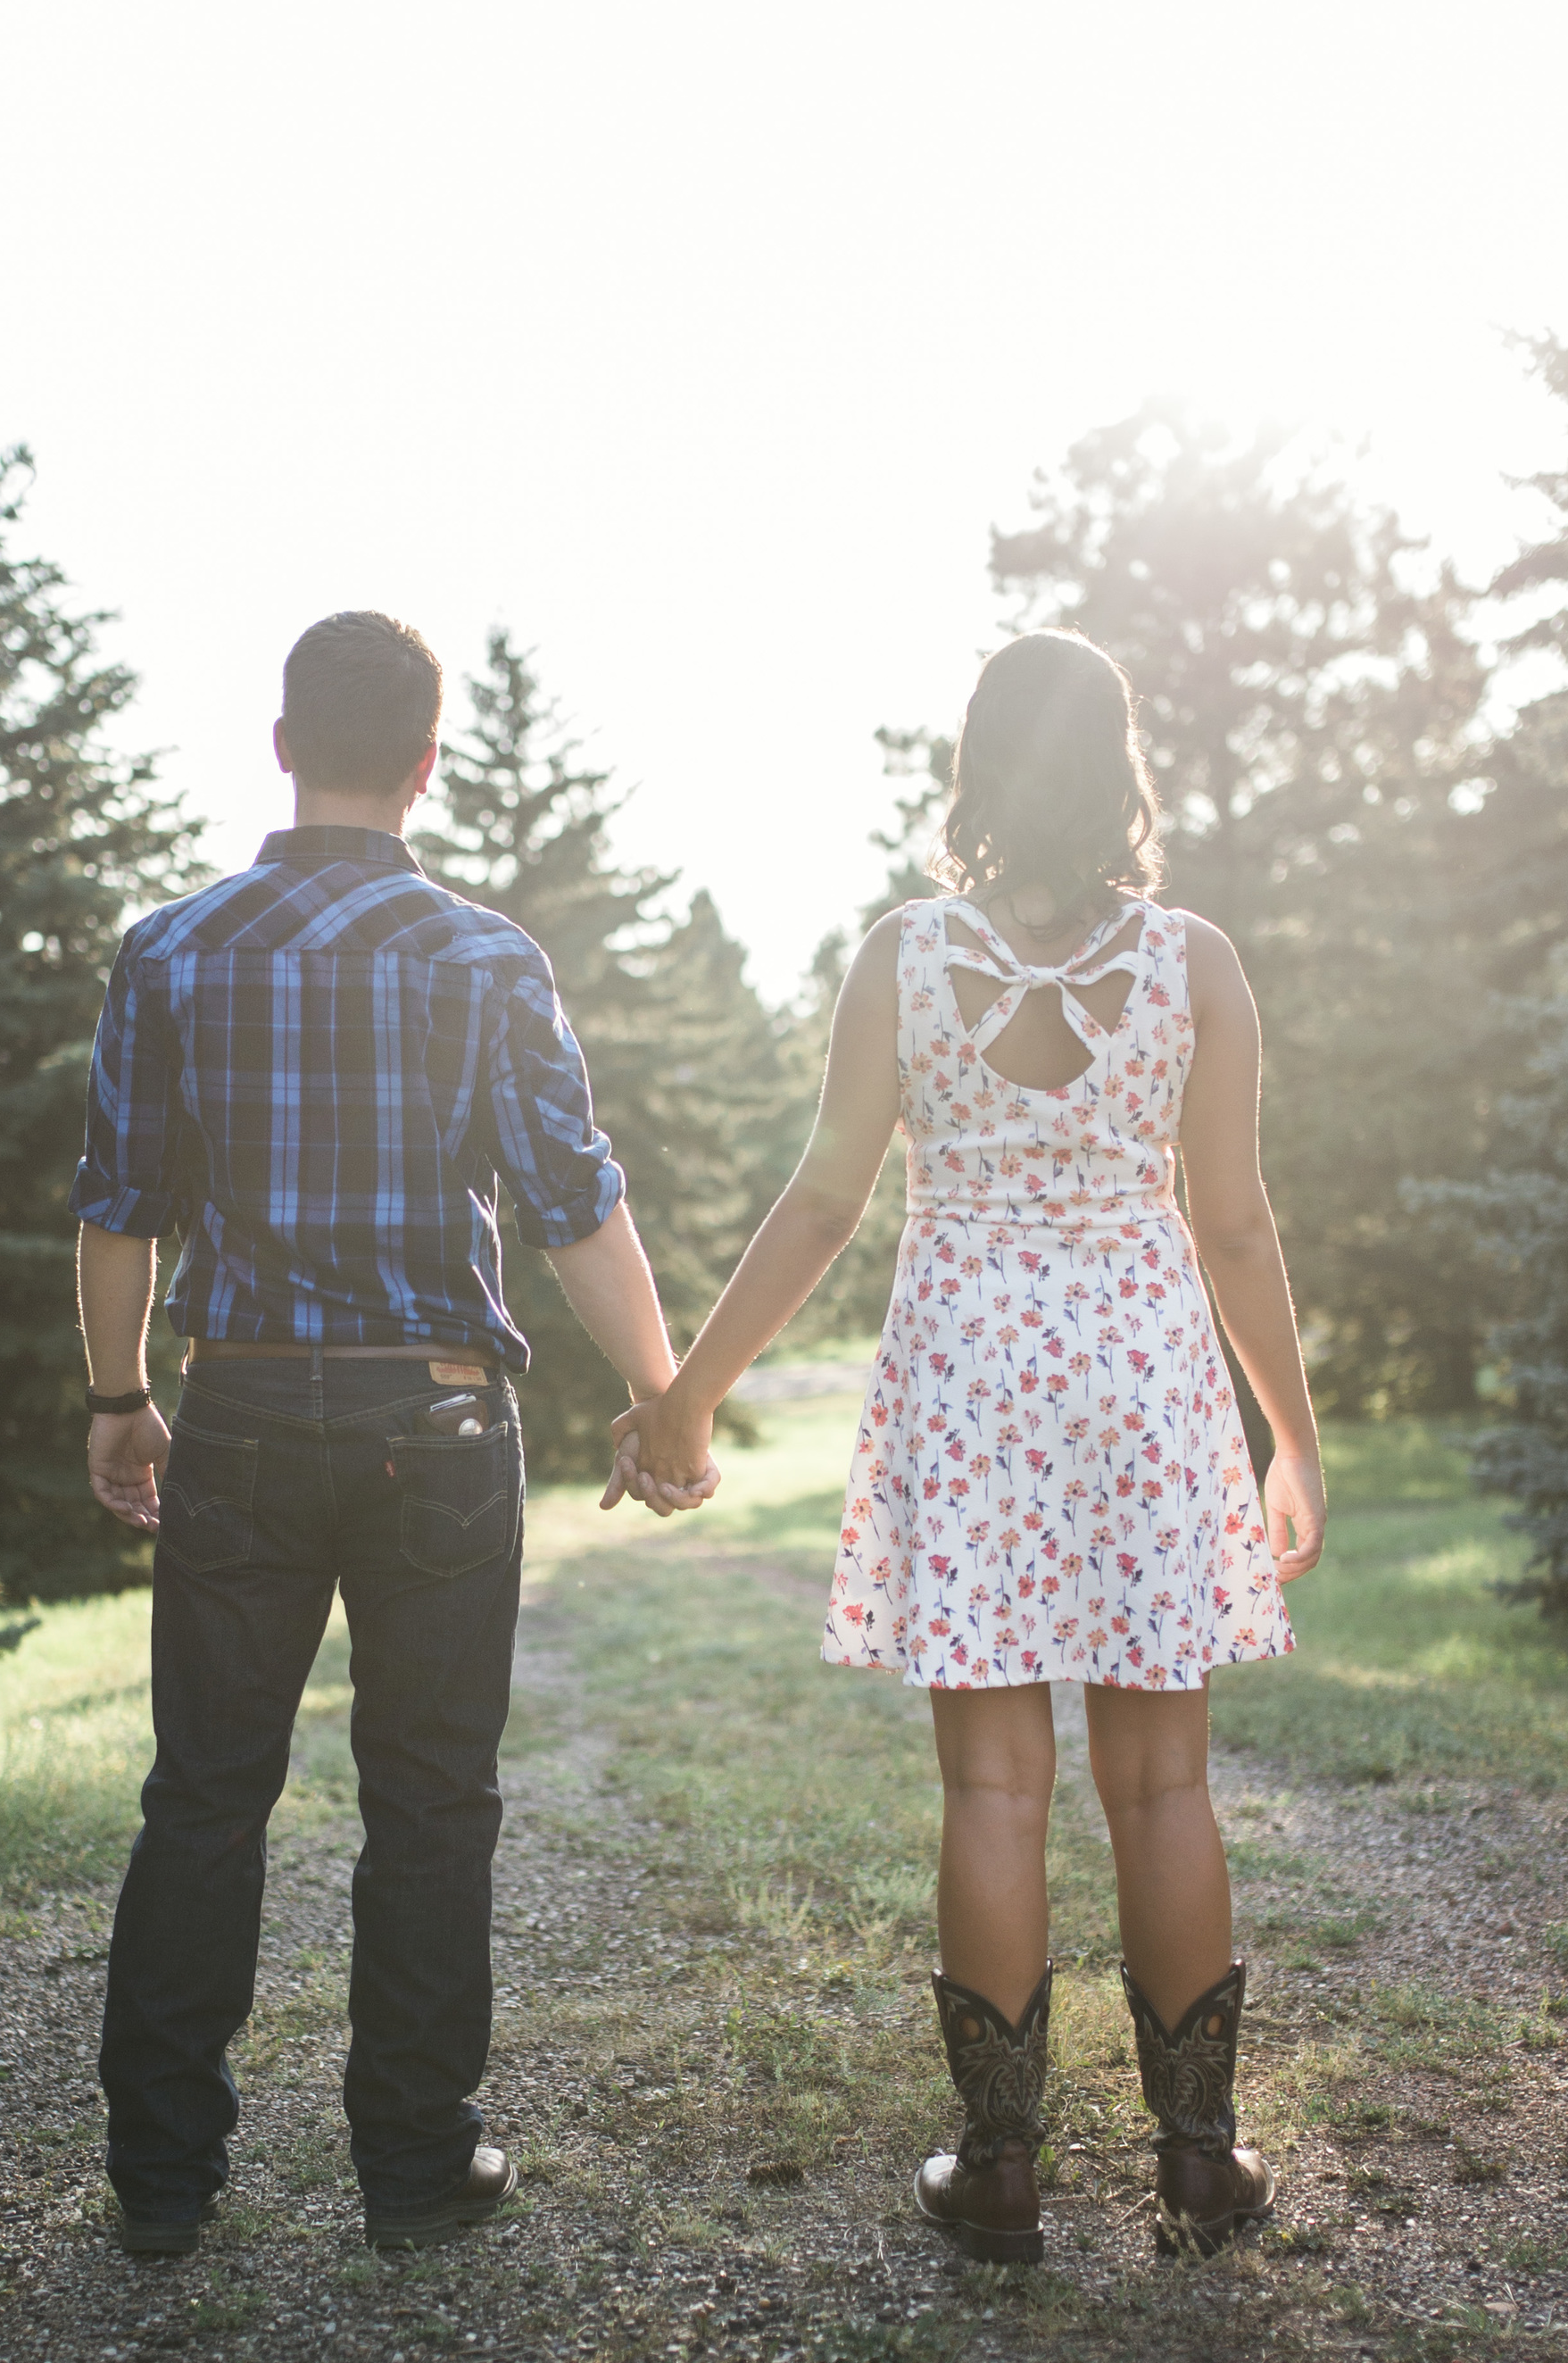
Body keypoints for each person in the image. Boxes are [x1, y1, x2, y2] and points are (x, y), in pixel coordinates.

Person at [611, 628, 1323, 2264]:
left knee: (994, 1781)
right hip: (1145, 1377)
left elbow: (821, 1202)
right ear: (1121, 773)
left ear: (978, 774)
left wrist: (692, 1389)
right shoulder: (1196, 964)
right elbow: (1232, 1222)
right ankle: (1198, 2166)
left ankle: (1001, 2175)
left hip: (976, 1378)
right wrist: (1291, 1433)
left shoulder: (906, 959)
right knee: (1167, 1782)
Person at [70, 611, 705, 2258]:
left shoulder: (170, 948)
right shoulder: (483, 959)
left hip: (244, 1404)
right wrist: (661, 1391)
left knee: (205, 1791)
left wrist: (122, 1397)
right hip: (437, 1415)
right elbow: (576, 1207)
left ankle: (161, 2182)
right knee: (430, 1800)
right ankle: (417, 2168)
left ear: (281, 743)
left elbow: (122, 1208)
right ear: (427, 767)